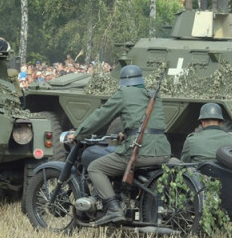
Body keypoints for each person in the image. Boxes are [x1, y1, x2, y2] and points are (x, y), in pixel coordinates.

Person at [65, 65, 169, 225]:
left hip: (140, 152)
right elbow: (148, 124)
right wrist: (126, 134)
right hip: (162, 151)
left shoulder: (124, 93)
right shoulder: (153, 95)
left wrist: (78, 134)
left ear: (124, 81)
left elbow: (101, 115)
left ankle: (113, 209)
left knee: (95, 167)